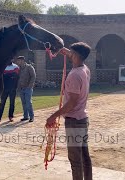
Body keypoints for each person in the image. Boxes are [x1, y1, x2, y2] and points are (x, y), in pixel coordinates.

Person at [46, 42, 92, 180]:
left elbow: (71, 103)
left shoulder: (74, 75)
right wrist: (59, 49)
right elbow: (69, 52)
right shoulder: (85, 69)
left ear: (76, 55)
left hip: (74, 122)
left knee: (75, 160)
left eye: (71, 52)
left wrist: (53, 116)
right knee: (85, 156)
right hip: (82, 119)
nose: (69, 53)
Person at [15, 56, 36, 122]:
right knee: (23, 103)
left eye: (18, 60)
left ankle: (31, 116)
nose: (17, 62)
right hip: (21, 88)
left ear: (22, 60)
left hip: (28, 88)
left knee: (28, 103)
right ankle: (26, 116)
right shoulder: (19, 68)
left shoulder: (29, 67)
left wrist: (30, 86)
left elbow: (33, 76)